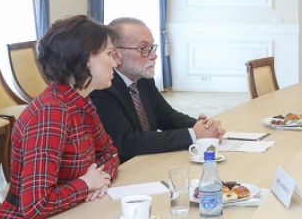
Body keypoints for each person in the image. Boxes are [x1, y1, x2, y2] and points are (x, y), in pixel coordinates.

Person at [0, 15, 120, 219]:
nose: (115, 62)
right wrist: (85, 184)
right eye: (109, 53)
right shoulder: (51, 114)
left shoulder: (79, 103)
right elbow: (35, 206)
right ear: (84, 58)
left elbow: (110, 153)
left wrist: (101, 180)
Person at [90, 17, 225, 162]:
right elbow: (127, 143)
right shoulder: (102, 87)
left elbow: (166, 116)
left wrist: (202, 127)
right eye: (144, 49)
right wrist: (193, 134)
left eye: (152, 48)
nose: (154, 56)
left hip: (149, 160)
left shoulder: (143, 79)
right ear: (116, 54)